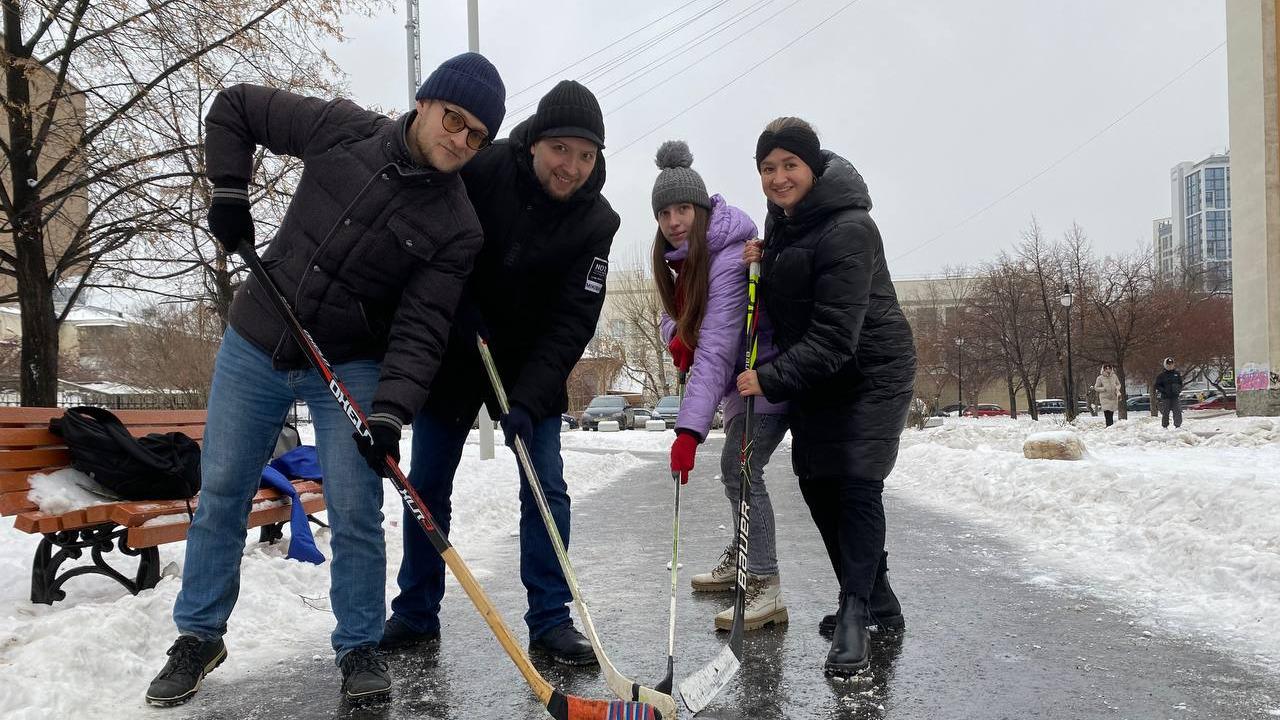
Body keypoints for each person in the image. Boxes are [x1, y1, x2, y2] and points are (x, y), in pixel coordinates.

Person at [143, 54, 507, 706]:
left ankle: (361, 648)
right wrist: (229, 190)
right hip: (257, 340)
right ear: (426, 102)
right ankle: (199, 636)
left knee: (356, 505)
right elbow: (235, 107)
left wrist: (391, 412)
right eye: (455, 120)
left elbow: (421, 328)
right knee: (223, 489)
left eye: (477, 136)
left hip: (349, 361)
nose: (460, 140)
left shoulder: (458, 226)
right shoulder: (344, 130)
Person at [382, 80, 619, 667]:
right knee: (428, 482)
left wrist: (529, 401)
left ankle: (550, 620)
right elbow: (437, 236)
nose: (572, 167)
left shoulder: (597, 223)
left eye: (586, 155)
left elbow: (571, 324)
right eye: (562, 150)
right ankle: (415, 612)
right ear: (536, 142)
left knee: (545, 486)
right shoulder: (483, 170)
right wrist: (454, 302)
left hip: (529, 369)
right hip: (457, 354)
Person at [739, 117, 914, 678]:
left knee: (856, 482)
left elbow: (837, 335)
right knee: (815, 481)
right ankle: (875, 597)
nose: (779, 177)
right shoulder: (786, 221)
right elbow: (796, 284)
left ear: (813, 168)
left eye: (790, 165)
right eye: (768, 168)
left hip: (870, 370)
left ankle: (855, 614)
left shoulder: (849, 228)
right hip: (819, 372)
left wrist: (767, 378)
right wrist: (761, 264)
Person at [648, 140, 789, 632]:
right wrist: (676, 337)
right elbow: (677, 320)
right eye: (664, 212)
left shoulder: (726, 258)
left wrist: (688, 432)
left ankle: (765, 582)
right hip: (739, 385)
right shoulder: (685, 260)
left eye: (683, 208)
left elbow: (717, 347)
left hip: (765, 373)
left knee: (741, 467)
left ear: (702, 207)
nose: (673, 220)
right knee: (736, 471)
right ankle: (743, 554)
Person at [1154, 357, 1184, 429]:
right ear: (1165, 365)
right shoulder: (1161, 375)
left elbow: (1181, 383)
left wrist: (1178, 390)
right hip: (1165, 397)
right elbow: (1157, 385)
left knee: (1177, 411)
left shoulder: (1177, 374)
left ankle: (1178, 426)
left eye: (1171, 364)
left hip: (1175, 397)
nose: (1170, 366)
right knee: (1165, 412)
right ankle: (1165, 426)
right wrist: (1164, 391)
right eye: (1168, 365)